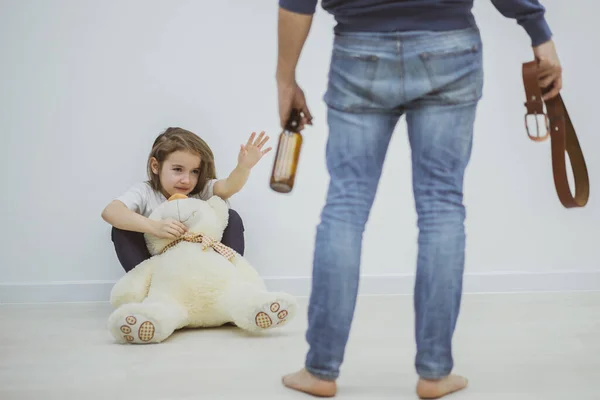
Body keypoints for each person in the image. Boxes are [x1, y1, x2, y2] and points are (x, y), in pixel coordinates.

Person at [275, 0, 562, 398]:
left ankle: (320, 369)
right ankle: (435, 373)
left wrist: (285, 79)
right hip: (450, 47)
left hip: (360, 50)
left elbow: (297, 3)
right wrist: (538, 32)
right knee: (442, 208)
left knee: (345, 206)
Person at [101, 127, 272, 272]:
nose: (187, 180)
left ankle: (230, 280)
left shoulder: (201, 190)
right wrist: (155, 227)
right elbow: (111, 211)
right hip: (160, 272)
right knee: (121, 228)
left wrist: (243, 167)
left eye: (194, 171)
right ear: (155, 166)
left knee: (231, 217)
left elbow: (228, 187)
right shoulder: (145, 192)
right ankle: (147, 292)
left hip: (202, 269)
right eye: (177, 169)